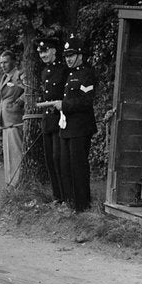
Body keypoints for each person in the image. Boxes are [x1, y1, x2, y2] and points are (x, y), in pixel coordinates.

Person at [57, 35, 96, 212]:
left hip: (80, 128)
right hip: (67, 128)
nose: (68, 59)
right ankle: (70, 202)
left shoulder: (87, 74)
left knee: (78, 167)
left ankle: (82, 206)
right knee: (65, 166)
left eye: (71, 55)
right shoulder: (70, 74)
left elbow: (86, 102)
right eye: (66, 56)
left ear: (80, 55)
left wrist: (63, 105)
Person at [35, 37, 68, 203]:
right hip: (47, 119)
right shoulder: (45, 72)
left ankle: (65, 196)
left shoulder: (63, 70)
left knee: (58, 157)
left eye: (46, 51)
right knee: (49, 159)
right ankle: (57, 197)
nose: (43, 55)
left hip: (59, 118)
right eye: (40, 52)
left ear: (54, 50)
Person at [0, 50, 25, 187]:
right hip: (5, 119)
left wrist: (19, 102)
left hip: (15, 119)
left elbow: (29, 91)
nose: (3, 65)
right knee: (8, 153)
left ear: (14, 61)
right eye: (1, 63)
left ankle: (17, 183)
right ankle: (9, 182)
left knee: (16, 152)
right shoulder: (4, 77)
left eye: (6, 62)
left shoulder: (19, 75)